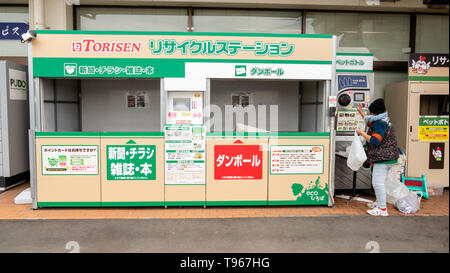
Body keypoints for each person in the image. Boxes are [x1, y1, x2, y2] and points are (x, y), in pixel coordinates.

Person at [356, 98, 399, 216]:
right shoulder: (382, 119)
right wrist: (361, 112)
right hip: (388, 156)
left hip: (383, 158)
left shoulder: (380, 123)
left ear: (375, 113)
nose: (369, 115)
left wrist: (362, 133)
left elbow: (375, 141)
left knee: (377, 183)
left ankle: (382, 209)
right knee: (381, 182)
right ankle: (380, 203)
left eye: (370, 113)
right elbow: (370, 122)